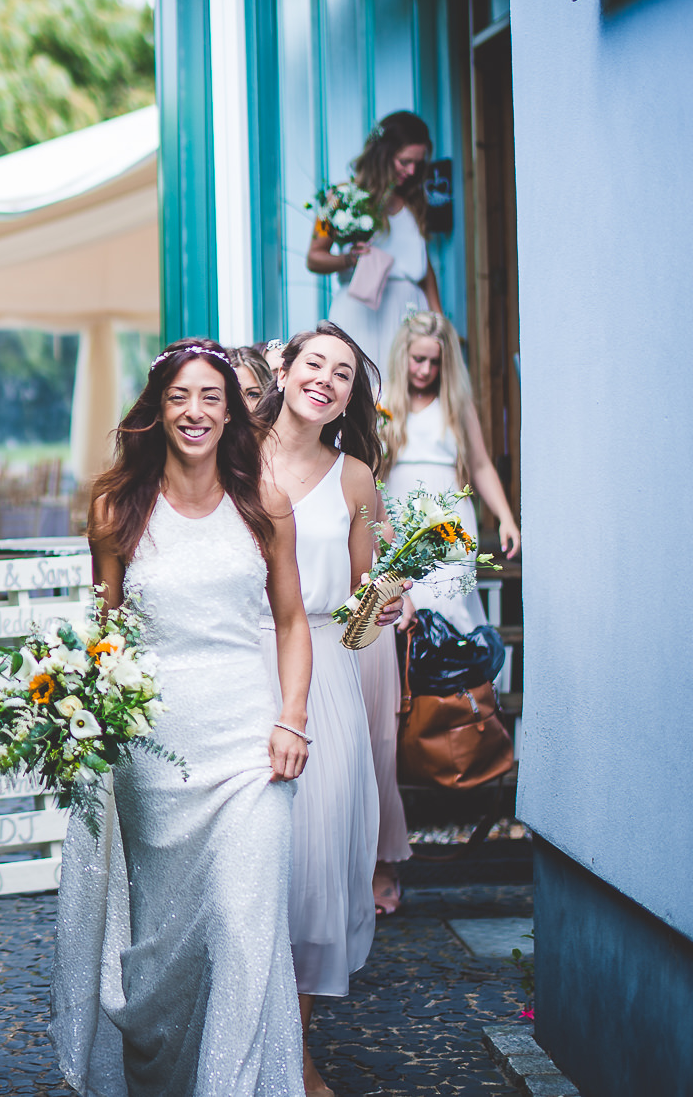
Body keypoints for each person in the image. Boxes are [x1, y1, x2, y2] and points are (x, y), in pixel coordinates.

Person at [55, 338, 315, 1097]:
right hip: (152, 757)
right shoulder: (116, 509)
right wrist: (74, 705)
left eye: (211, 396)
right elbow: (105, 633)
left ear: (232, 409)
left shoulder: (263, 504)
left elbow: (293, 621)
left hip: (250, 749)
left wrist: (292, 717)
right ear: (157, 410)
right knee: (166, 953)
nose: (195, 410)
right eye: (179, 397)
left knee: (242, 924)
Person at [258, 322, 407, 1095]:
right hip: (238, 673)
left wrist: (387, 601)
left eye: (343, 373)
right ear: (283, 368)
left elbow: (358, 612)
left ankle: (294, 1053)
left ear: (352, 395)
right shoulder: (225, 458)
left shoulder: (357, 481)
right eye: (314, 362)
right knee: (248, 873)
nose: (325, 379)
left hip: (326, 690)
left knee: (313, 885)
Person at [367, 310, 523, 915]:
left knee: (446, 651)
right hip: (399, 530)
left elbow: (480, 464)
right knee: (399, 646)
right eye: (418, 359)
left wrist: (506, 517)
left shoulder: (457, 408)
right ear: (404, 356)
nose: (426, 369)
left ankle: (451, 736)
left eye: (435, 360)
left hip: (449, 535)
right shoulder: (386, 407)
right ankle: (404, 746)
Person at [310, 112, 444, 373]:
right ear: (382, 154)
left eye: (418, 163)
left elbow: (425, 270)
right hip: (360, 311)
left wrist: (439, 324)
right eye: (404, 161)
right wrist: (349, 259)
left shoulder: (416, 202)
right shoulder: (340, 197)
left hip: (408, 313)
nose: (412, 171)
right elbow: (314, 257)